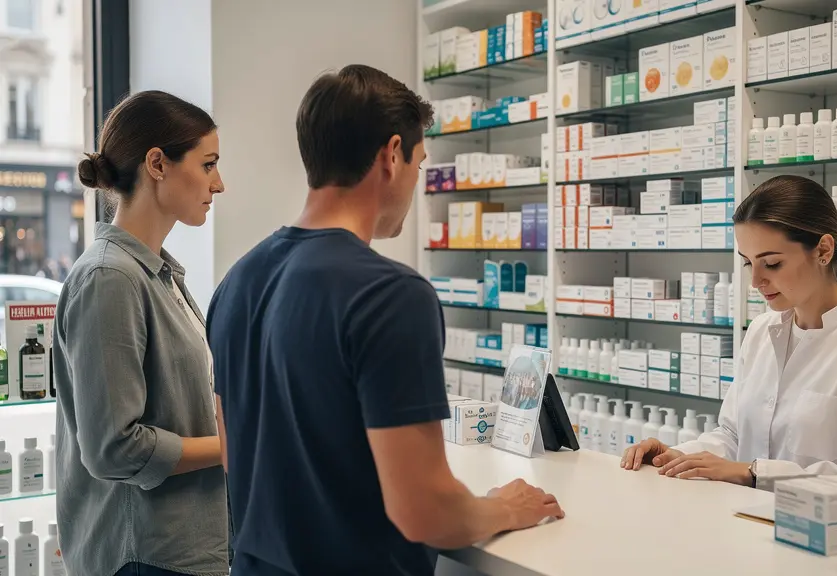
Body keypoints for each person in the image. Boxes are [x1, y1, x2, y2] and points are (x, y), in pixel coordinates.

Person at [207, 65, 563, 576]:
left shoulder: (237, 282)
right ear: (392, 155)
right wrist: (503, 508)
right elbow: (425, 512)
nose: (417, 182)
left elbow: (234, 456)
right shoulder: (390, 295)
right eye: (420, 163)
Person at [622, 175, 837, 489]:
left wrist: (754, 473)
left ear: (823, 250)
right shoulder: (761, 330)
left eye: (771, 263)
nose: (756, 281)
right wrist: (676, 456)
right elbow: (732, 435)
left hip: (823, 521)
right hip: (742, 514)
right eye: (748, 263)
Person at [52, 90, 228, 576]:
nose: (219, 184)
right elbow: (115, 448)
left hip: (178, 549)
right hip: (144, 556)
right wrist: (234, 445)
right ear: (157, 164)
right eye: (208, 164)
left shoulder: (157, 275)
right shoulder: (110, 279)